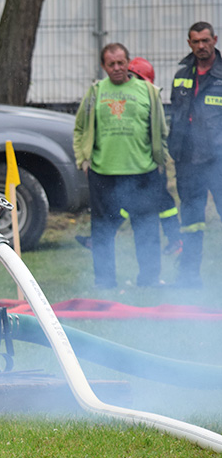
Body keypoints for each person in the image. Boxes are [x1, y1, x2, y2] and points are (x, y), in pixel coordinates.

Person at [73, 43, 169, 289]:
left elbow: (161, 130)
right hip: (103, 173)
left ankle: (149, 279)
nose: (116, 68)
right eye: (111, 64)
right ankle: (105, 282)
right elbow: (80, 128)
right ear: (103, 66)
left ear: (128, 63)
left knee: (147, 229)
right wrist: (83, 159)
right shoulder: (95, 92)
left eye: (121, 63)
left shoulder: (148, 91)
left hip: (143, 172)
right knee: (103, 230)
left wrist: (161, 160)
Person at [168, 22, 222, 289]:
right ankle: (189, 278)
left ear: (215, 40)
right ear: (189, 43)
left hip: (218, 161)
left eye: (205, 40)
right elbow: (176, 114)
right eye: (196, 41)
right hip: (188, 162)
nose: (201, 46)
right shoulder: (181, 75)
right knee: (190, 222)